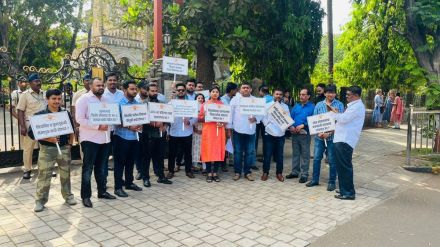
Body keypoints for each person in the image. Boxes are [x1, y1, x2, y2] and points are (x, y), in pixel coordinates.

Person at [28, 89, 77, 212]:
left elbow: (72, 129)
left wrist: (70, 144)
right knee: (44, 176)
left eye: (59, 99)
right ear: (47, 99)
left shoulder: (65, 114)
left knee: (66, 175)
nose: (57, 101)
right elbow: (31, 133)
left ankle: (68, 196)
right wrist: (48, 139)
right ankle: (40, 201)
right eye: (54, 99)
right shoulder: (39, 115)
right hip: (47, 150)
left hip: (64, 149)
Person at [75, 77, 116, 208]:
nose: (101, 87)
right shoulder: (84, 99)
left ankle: (102, 191)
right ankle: (86, 196)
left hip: (105, 139)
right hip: (90, 139)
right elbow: (79, 119)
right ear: (91, 86)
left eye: (102, 85)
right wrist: (97, 126)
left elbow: (111, 117)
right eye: (98, 85)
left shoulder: (107, 100)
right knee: (88, 168)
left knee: (102, 168)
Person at [326, 85, 366, 200]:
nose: (347, 96)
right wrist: (337, 113)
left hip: (345, 140)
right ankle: (344, 188)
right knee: (342, 166)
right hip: (342, 139)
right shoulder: (354, 106)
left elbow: (343, 119)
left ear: (356, 95)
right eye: (347, 94)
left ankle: (348, 193)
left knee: (344, 166)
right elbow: (344, 118)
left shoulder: (357, 106)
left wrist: (333, 113)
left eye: (349, 95)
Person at [306, 85, 344, 191]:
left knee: (332, 160)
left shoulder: (339, 105)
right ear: (325, 93)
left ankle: (331, 182)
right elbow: (315, 120)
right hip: (319, 137)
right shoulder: (319, 105)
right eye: (328, 92)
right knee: (317, 158)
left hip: (333, 138)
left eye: (332, 92)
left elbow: (340, 122)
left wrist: (329, 132)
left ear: (335, 94)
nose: (330, 94)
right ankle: (315, 180)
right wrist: (318, 132)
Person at [112, 80, 143, 197]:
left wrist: (140, 124)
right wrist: (130, 126)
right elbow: (115, 121)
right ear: (125, 90)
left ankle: (129, 183)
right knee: (120, 163)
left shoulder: (138, 104)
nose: (135, 91)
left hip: (134, 137)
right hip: (121, 137)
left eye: (136, 89)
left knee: (130, 162)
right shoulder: (118, 103)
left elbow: (141, 118)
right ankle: (118, 187)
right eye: (132, 89)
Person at [140, 83, 172, 187]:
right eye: (152, 91)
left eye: (156, 91)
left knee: (160, 156)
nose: (154, 93)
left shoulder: (162, 103)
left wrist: (165, 124)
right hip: (148, 134)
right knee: (146, 157)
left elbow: (168, 116)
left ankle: (161, 176)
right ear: (147, 91)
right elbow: (141, 118)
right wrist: (154, 123)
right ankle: (145, 178)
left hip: (161, 134)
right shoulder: (144, 104)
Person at [229, 82, 262, 181]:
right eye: (243, 88)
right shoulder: (235, 100)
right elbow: (230, 114)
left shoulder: (256, 100)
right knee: (238, 152)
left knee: (249, 152)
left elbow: (262, 113)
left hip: (250, 130)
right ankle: (237, 172)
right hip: (237, 130)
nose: (246, 89)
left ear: (251, 89)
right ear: (240, 89)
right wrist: (229, 128)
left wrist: (256, 119)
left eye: (248, 88)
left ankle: (247, 172)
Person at [17, 73, 46, 179]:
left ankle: (44, 168)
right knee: (28, 148)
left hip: (43, 125)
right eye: (36, 81)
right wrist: (23, 126)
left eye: (39, 80)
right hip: (30, 125)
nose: (39, 82)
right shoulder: (25, 95)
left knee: (44, 147)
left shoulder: (44, 93)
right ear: (30, 83)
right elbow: (20, 111)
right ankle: (27, 170)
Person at [198, 87, 230, 182]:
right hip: (208, 131)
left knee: (217, 151)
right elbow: (200, 119)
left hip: (219, 130)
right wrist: (205, 115)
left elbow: (226, 119)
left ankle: (215, 173)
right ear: (210, 93)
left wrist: (223, 123)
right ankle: (208, 173)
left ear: (219, 94)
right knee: (208, 151)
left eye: (217, 92)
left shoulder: (223, 105)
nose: (215, 93)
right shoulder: (205, 105)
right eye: (213, 91)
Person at [167, 83, 197, 179]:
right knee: (172, 153)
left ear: (185, 91)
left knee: (188, 153)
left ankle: (188, 170)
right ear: (176, 91)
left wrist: (190, 121)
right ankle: (171, 171)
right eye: (178, 90)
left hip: (187, 132)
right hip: (174, 132)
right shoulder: (171, 103)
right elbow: (167, 117)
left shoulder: (191, 103)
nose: (180, 92)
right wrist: (167, 132)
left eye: (182, 90)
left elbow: (195, 116)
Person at [286, 88, 315, 183]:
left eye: (303, 94)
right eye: (300, 94)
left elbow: (314, 120)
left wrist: (304, 125)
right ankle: (295, 172)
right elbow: (291, 118)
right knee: (295, 153)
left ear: (308, 96)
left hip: (305, 134)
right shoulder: (296, 106)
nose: (301, 96)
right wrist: (291, 127)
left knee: (305, 154)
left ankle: (304, 174)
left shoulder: (312, 107)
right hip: (295, 133)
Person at [261, 88, 289, 182]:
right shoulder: (267, 105)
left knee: (279, 155)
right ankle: (265, 172)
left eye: (280, 94)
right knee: (267, 154)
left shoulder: (285, 107)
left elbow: (287, 119)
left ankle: (279, 173)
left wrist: (283, 128)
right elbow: (263, 118)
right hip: (269, 133)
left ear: (282, 96)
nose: (278, 96)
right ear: (273, 94)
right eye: (277, 94)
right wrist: (269, 127)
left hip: (280, 134)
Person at [102, 72, 124, 173]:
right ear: (106, 82)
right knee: (104, 156)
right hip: (106, 130)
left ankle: (119, 179)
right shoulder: (102, 94)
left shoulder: (122, 94)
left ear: (117, 81)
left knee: (119, 155)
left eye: (114, 80)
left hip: (119, 130)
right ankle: (104, 180)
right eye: (110, 80)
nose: (112, 82)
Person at [71, 74, 91, 159]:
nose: (89, 82)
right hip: (82, 125)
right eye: (87, 80)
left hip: (95, 126)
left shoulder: (99, 93)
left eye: (90, 80)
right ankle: (85, 164)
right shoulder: (78, 94)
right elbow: (73, 111)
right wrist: (76, 126)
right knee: (83, 147)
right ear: (83, 82)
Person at [254, 85, 273, 168]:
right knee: (267, 141)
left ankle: (252, 159)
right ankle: (266, 157)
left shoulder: (260, 100)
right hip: (269, 123)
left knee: (255, 140)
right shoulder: (273, 99)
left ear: (261, 91)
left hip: (259, 122)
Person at [10, 77, 28, 151]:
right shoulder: (15, 93)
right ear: (18, 84)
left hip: (29, 118)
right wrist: (20, 119)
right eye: (22, 82)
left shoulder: (29, 92)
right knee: (22, 139)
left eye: (26, 82)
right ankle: (22, 153)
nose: (25, 84)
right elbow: (11, 109)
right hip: (20, 119)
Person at [192, 94, 205, 173]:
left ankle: (204, 167)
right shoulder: (193, 107)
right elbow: (191, 119)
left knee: (204, 148)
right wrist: (195, 129)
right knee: (195, 148)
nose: (200, 99)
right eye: (198, 98)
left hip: (204, 130)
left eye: (202, 98)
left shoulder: (206, 107)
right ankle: (195, 165)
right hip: (195, 130)